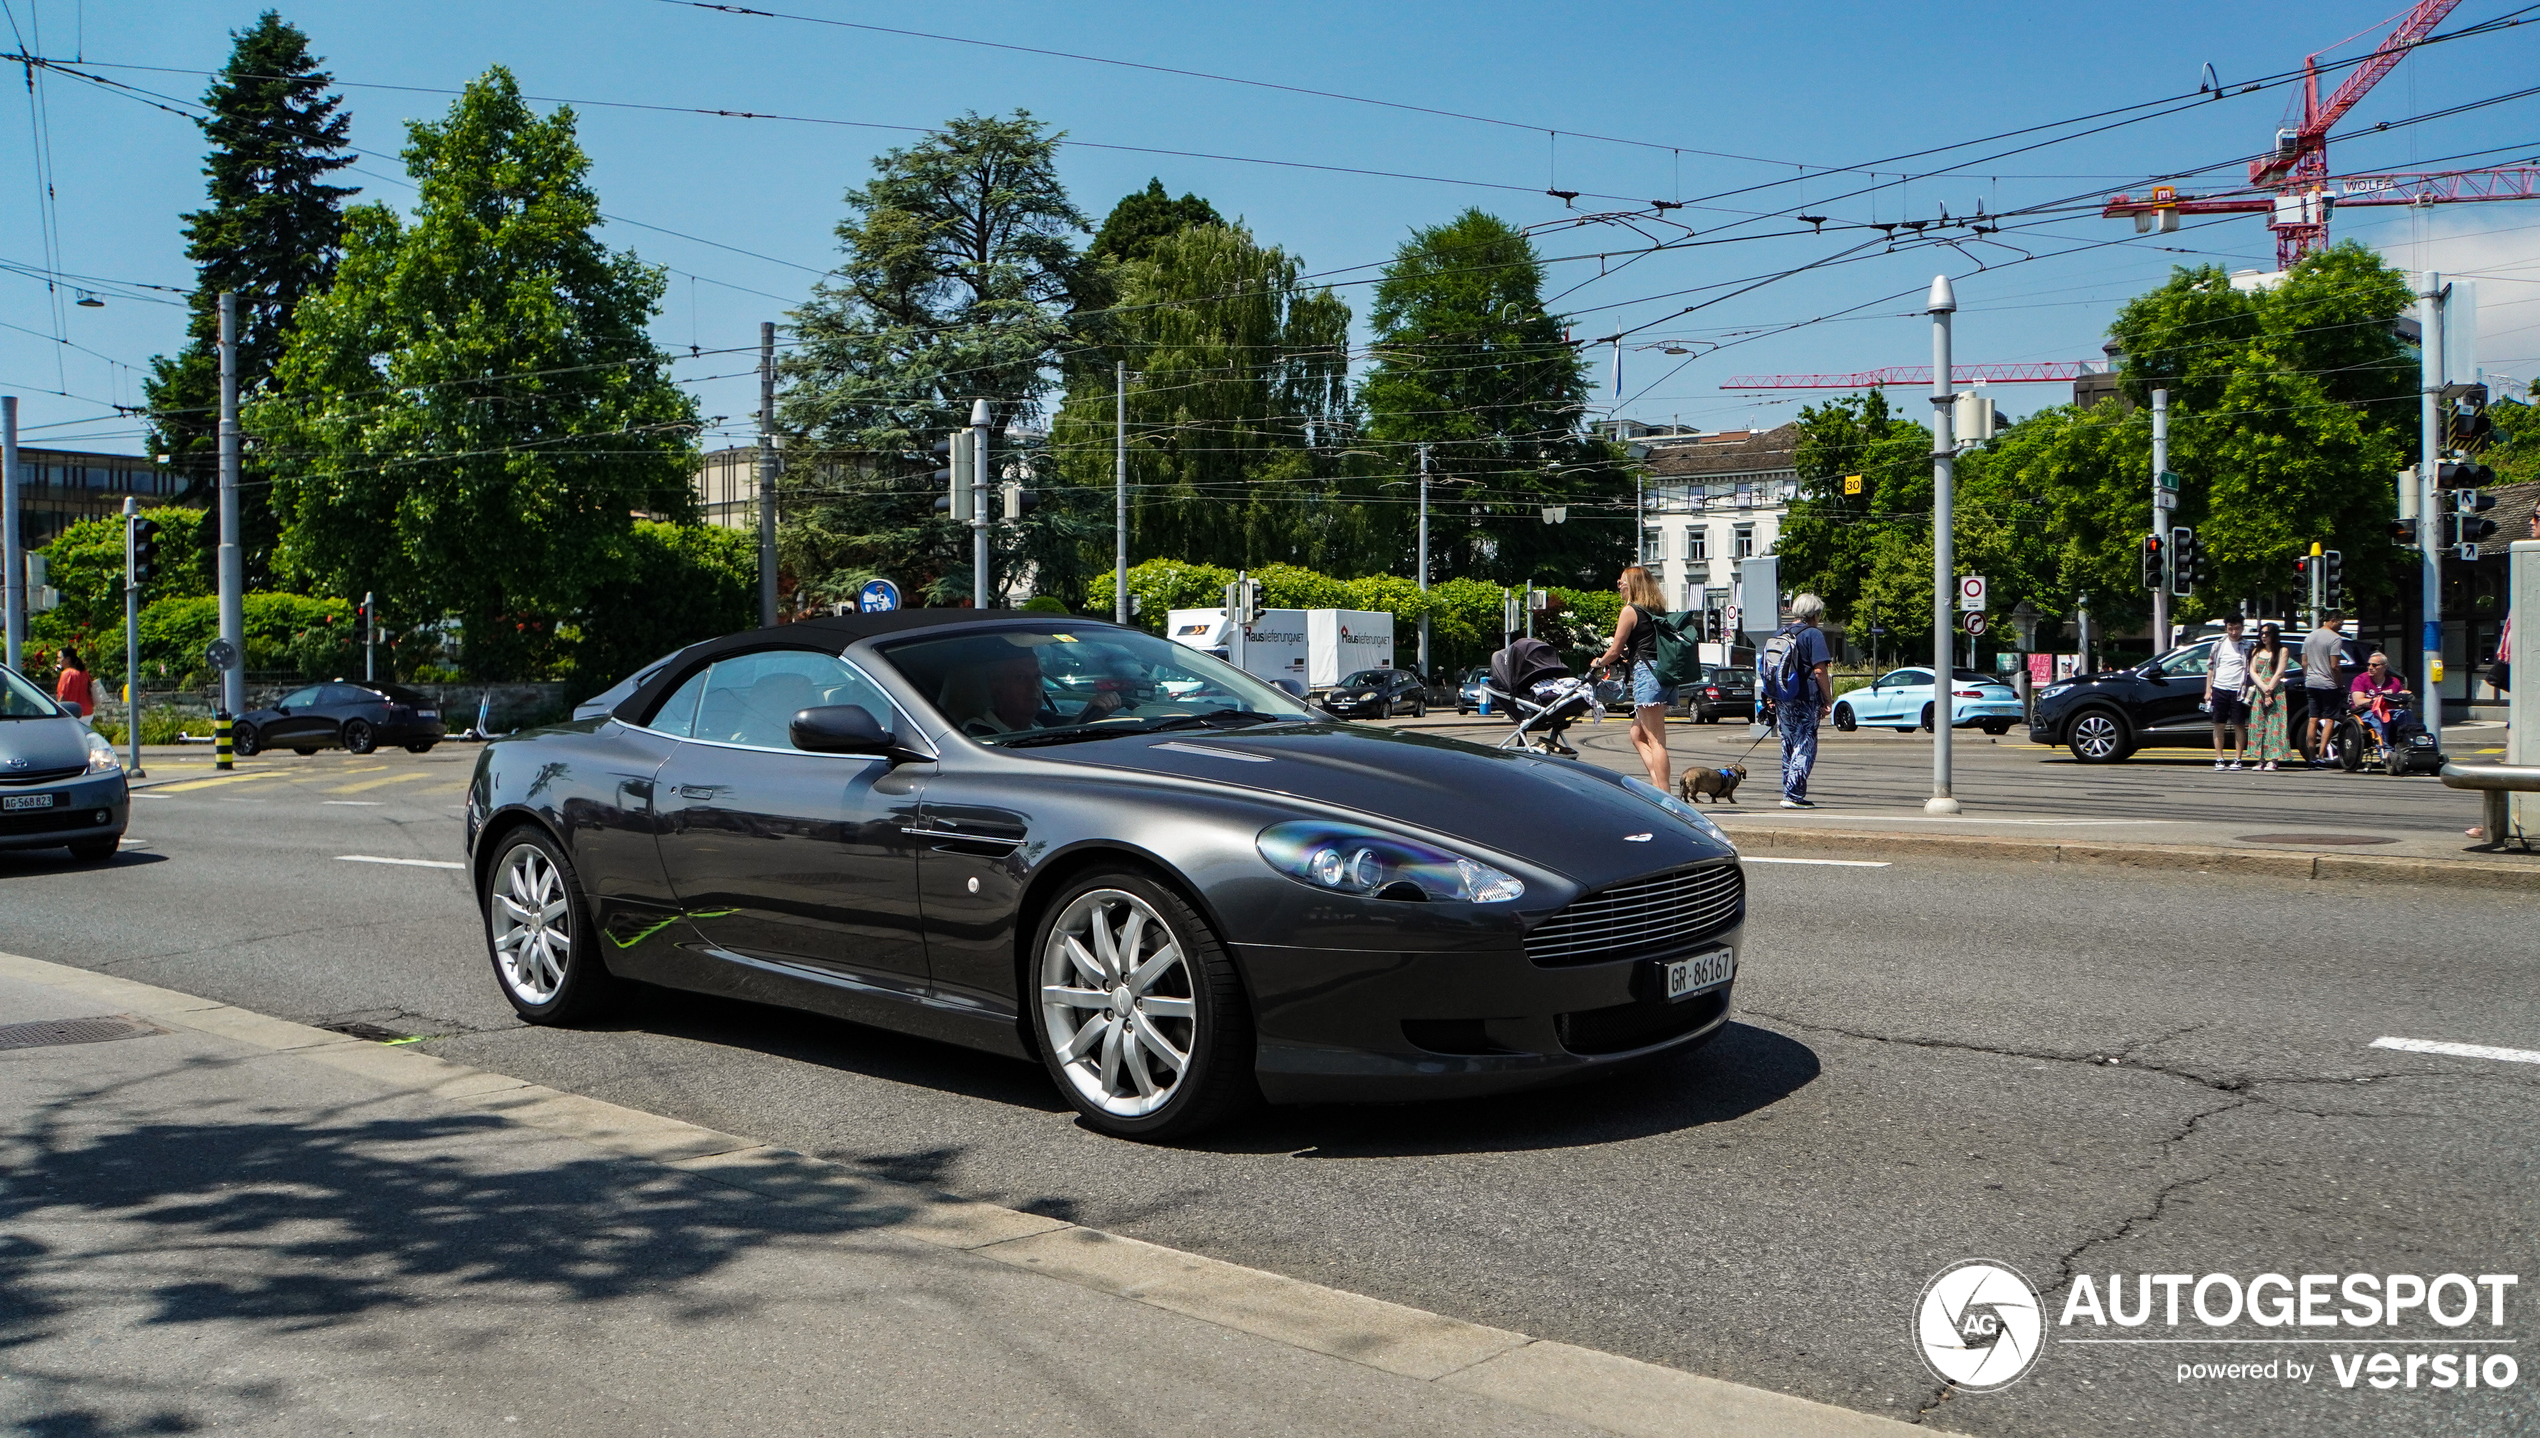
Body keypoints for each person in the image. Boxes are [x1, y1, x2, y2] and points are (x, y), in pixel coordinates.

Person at [1594, 565, 1675, 791]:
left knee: (1656, 739)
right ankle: (1658, 787)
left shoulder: (1630, 610)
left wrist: (1599, 663)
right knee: (1636, 734)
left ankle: (1666, 797)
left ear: (1633, 585)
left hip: (1649, 674)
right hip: (1664, 673)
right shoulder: (1656, 610)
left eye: (1622, 582)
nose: (1619, 585)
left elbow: (1614, 650)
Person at [1764, 593, 1835, 809]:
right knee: (1806, 744)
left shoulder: (1780, 633)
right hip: (1805, 697)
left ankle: (1789, 790)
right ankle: (1793, 795)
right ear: (1814, 614)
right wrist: (1827, 699)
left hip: (1783, 697)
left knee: (1788, 744)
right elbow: (1819, 671)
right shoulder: (1813, 634)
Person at [2202, 616, 2251, 771]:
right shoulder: (2218, 645)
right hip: (2219, 688)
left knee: (2239, 724)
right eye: (2230, 628)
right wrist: (2208, 690)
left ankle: (2238, 759)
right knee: (2219, 724)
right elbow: (2210, 668)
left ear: (2242, 628)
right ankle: (2219, 758)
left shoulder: (2248, 646)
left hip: (2238, 690)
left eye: (2237, 628)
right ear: (2226, 628)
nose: (2233, 632)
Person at [2301, 612, 2348, 766]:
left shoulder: (2310, 636)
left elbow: (2304, 662)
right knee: (2329, 719)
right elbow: (2335, 665)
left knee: (2313, 718)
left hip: (2311, 682)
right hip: (2328, 683)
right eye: (2340, 624)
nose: (2341, 627)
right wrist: (2340, 684)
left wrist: (2308, 676)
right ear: (2333, 620)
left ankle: (2311, 756)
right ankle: (2321, 755)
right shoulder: (2335, 638)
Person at [2245, 623, 2293, 771]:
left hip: (2276, 692)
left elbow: (2279, 672)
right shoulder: (2256, 651)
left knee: (2275, 725)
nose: (2264, 636)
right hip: (2260, 691)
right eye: (2262, 633)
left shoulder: (2282, 650)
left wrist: (2269, 690)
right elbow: (2252, 671)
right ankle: (2260, 759)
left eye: (2267, 633)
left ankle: (2273, 759)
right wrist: (2264, 689)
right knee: (2259, 724)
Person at [2348, 652, 2410, 752]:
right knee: (2380, 718)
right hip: (2366, 711)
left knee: (2406, 714)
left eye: (2374, 665)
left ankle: (2409, 745)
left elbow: (2400, 696)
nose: (2370, 667)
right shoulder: (2360, 680)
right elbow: (2358, 701)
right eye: (2368, 664)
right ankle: (2386, 750)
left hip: (2390, 710)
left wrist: (2404, 694)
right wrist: (2375, 701)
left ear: (2384, 667)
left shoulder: (2394, 681)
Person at [53, 648, 90, 719]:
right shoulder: (83, 672)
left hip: (74, 713)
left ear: (67, 659)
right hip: (88, 712)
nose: (58, 660)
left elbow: (63, 696)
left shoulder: (67, 673)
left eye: (59, 658)